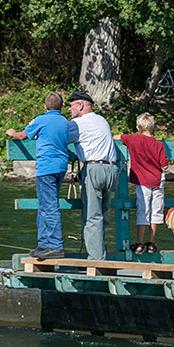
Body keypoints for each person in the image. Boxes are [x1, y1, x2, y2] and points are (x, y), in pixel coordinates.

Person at [5, 92, 70, 260]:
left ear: (45, 107)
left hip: (46, 167)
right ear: (62, 107)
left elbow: (21, 136)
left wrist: (12, 132)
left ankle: (55, 245)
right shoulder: (65, 122)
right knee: (44, 205)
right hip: (61, 166)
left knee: (49, 206)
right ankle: (43, 244)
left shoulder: (41, 119)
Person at [66, 90, 119, 261]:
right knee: (103, 215)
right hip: (112, 170)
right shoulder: (102, 120)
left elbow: (59, 137)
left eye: (71, 106)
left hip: (94, 170)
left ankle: (96, 260)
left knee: (92, 217)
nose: (69, 110)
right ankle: (100, 252)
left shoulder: (77, 124)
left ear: (80, 105)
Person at [114, 113, 169, 255]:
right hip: (157, 181)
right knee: (156, 211)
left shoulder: (133, 139)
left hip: (142, 181)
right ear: (153, 128)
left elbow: (118, 137)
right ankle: (151, 243)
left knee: (142, 210)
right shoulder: (158, 144)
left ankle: (139, 243)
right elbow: (164, 165)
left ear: (138, 127)